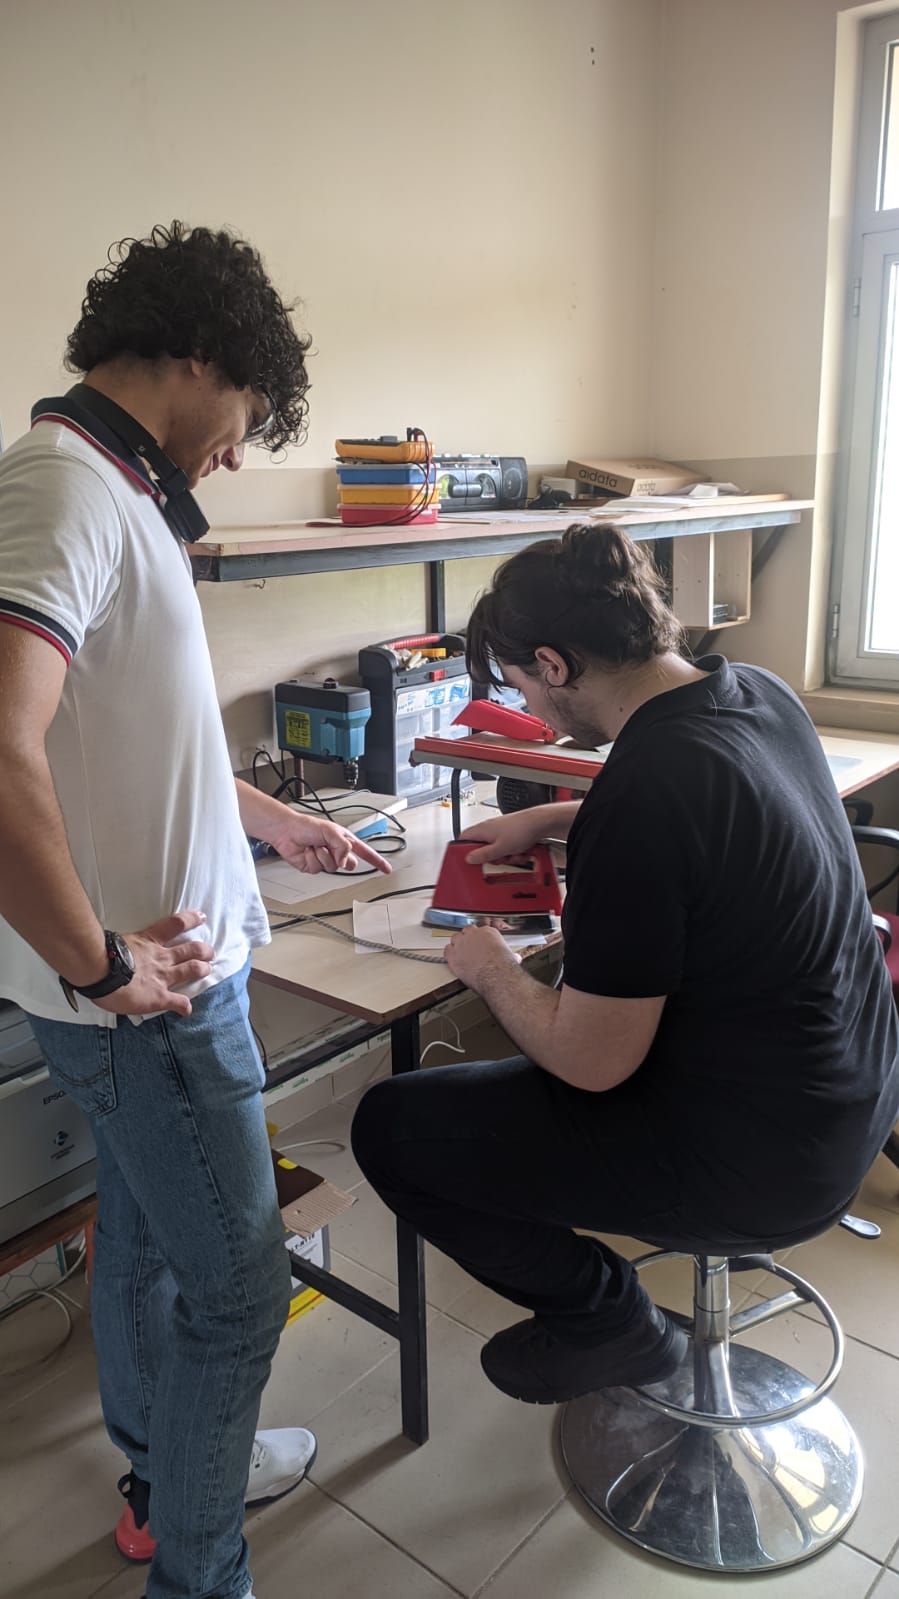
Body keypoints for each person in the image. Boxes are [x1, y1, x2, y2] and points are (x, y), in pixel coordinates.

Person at [0, 222, 390, 1599]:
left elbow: (125, 736)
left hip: (138, 987)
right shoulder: (62, 487)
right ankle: (199, 1573)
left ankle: (160, 1484)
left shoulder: (108, 488)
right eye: (246, 417)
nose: (238, 447)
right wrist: (103, 963)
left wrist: (272, 819)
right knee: (232, 1288)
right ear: (201, 354)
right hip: (147, 1003)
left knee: (145, 1232)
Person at [351, 523, 899, 1405]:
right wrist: (551, 819)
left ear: (553, 663)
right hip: (855, 1091)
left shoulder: (648, 799)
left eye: (523, 686)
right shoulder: (753, 692)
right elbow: (704, 808)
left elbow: (590, 1061)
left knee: (391, 1128)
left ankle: (610, 1325)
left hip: (763, 1162)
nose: (529, 708)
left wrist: (490, 967)